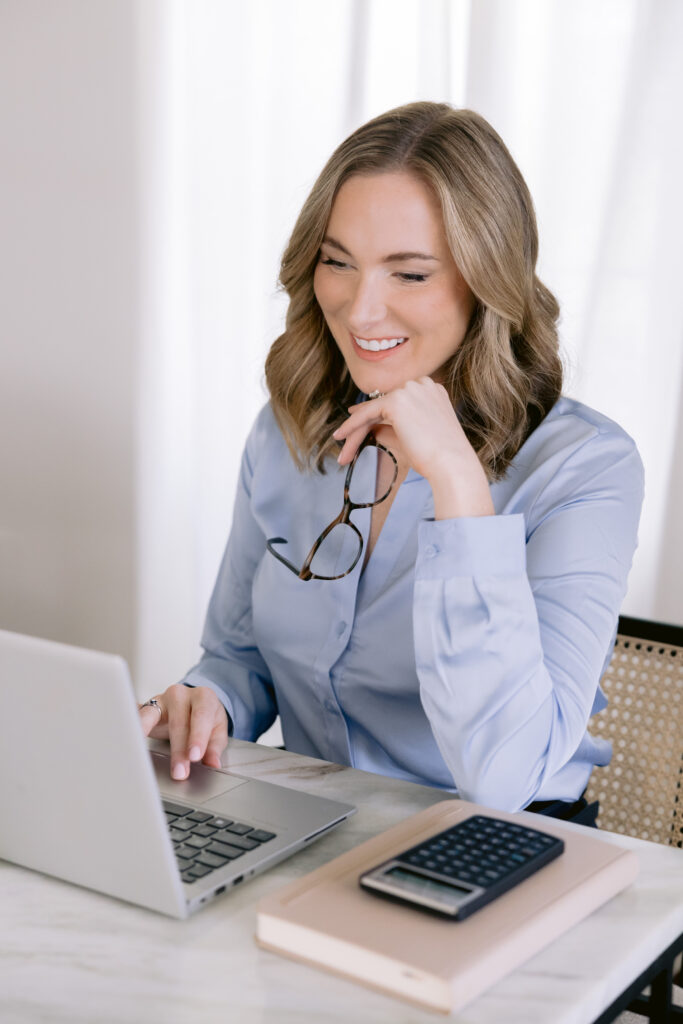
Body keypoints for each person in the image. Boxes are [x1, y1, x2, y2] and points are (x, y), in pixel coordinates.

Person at [139, 101, 643, 816]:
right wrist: (208, 702)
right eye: (338, 262)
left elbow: (505, 775)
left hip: (505, 837)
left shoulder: (586, 467)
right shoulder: (288, 429)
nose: (359, 310)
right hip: (313, 818)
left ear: (486, 279)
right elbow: (240, 655)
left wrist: (459, 486)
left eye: (407, 274)